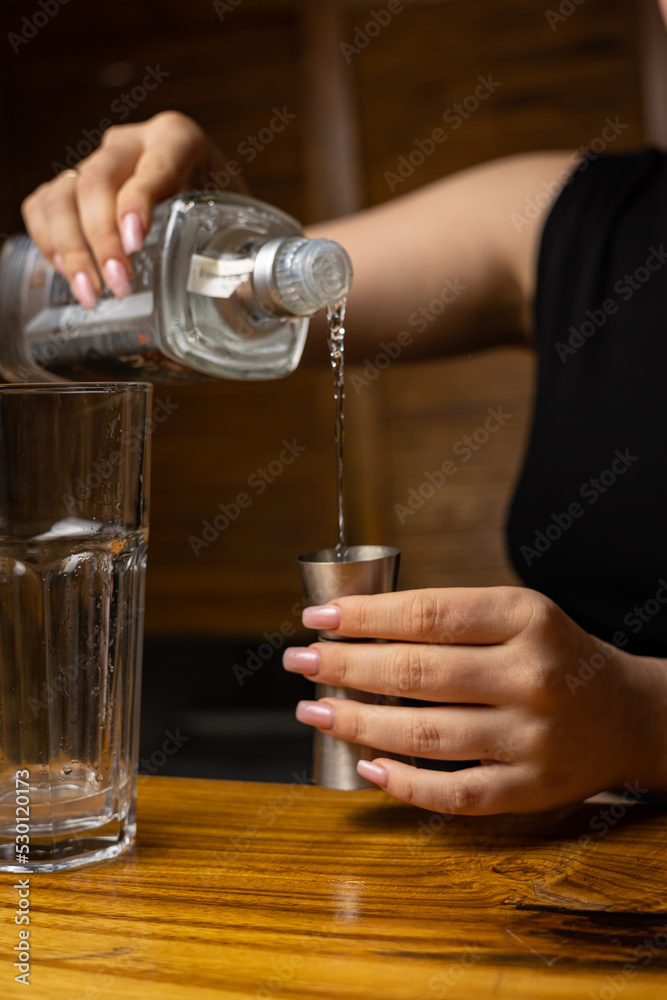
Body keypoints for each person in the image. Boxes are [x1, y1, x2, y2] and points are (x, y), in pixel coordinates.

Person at [20, 30, 667, 815]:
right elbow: (268, 294)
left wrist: (642, 720)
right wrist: (174, 238)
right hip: (558, 882)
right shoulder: (569, 219)